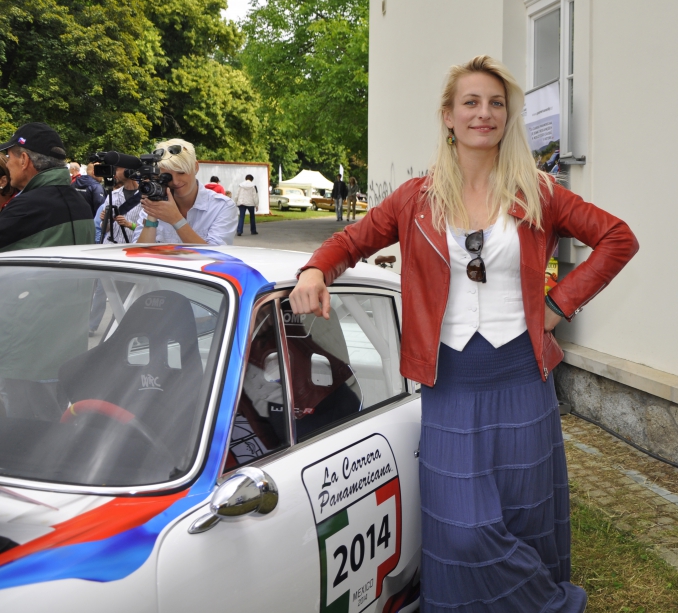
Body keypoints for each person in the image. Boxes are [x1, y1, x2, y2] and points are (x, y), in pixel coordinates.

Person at [290, 56, 638, 612]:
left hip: (521, 379)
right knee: (463, 530)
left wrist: (557, 305)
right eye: (471, 102)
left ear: (508, 116)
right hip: (449, 383)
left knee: (523, 516)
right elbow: (351, 242)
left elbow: (618, 238)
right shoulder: (416, 198)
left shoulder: (538, 191)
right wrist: (314, 271)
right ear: (448, 116)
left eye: (496, 103)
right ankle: (554, 604)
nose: (484, 113)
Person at [0, 122, 95, 251]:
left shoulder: (25, 208)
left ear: (24, 160)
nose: (8, 164)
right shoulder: (82, 204)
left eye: (9, 156)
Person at [132, 139, 237, 245]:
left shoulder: (222, 206)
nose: (175, 181)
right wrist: (152, 216)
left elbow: (216, 253)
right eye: (167, 176)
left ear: (196, 167)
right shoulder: (153, 204)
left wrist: (176, 219)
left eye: (181, 172)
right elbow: (140, 252)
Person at [95, 166, 144, 244]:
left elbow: (149, 229)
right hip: (110, 245)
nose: (114, 175)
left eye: (116, 170)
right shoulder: (112, 195)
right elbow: (106, 229)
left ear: (127, 170)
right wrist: (105, 220)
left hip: (131, 246)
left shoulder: (145, 196)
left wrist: (129, 224)